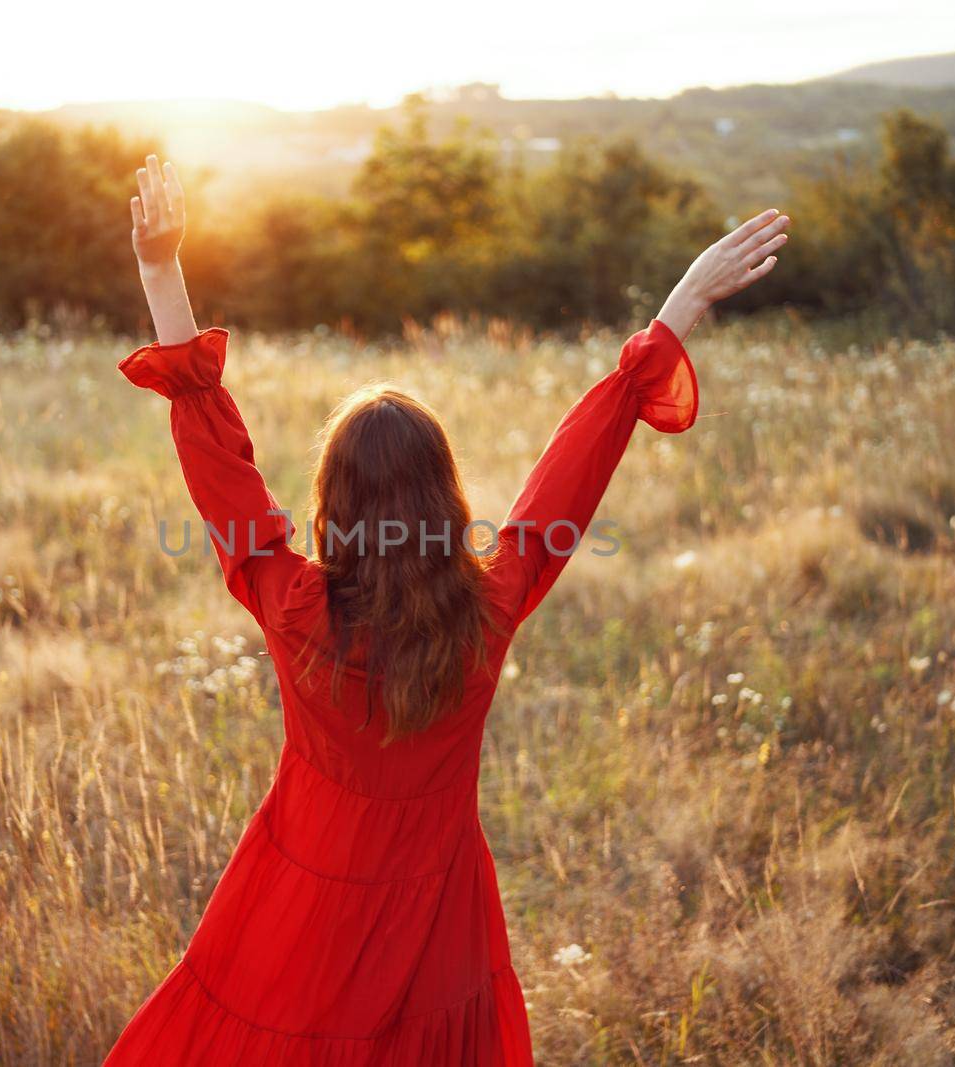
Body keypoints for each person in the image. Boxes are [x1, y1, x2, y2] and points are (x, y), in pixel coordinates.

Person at [103, 154, 789, 1066]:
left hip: (298, 911)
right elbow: (564, 485)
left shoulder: (293, 602)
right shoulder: (487, 605)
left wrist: (161, 270)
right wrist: (677, 312)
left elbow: (217, 461)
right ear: (443, 496)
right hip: (437, 919)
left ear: (333, 499)